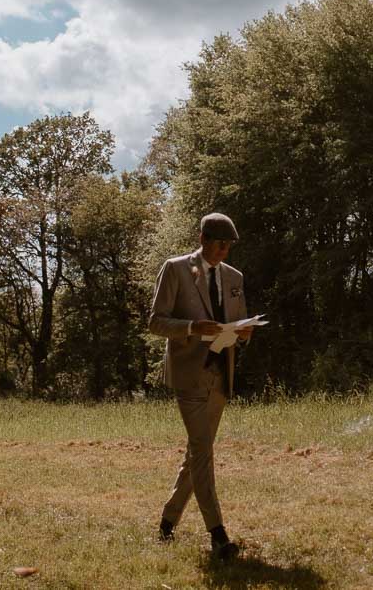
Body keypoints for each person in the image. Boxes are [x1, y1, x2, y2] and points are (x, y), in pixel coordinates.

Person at [147, 212, 254, 560]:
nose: (224, 251)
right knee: (203, 450)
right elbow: (156, 322)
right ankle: (218, 534)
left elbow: (238, 323)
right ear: (202, 238)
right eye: (219, 244)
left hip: (221, 375)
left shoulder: (235, 276)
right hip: (189, 375)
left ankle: (167, 520)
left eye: (229, 246)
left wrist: (243, 335)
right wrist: (193, 327)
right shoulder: (175, 269)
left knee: (197, 451)